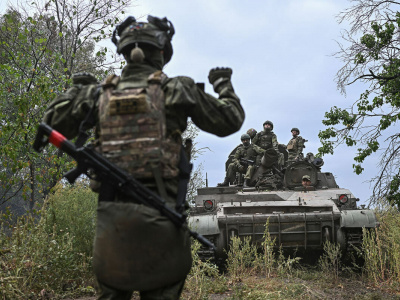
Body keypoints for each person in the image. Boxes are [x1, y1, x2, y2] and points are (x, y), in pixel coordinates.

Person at [42, 15, 245, 300]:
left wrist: (77, 90)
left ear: (125, 52)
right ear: (162, 52)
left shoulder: (97, 95)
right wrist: (223, 84)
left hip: (112, 223)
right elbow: (230, 120)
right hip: (163, 219)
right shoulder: (176, 89)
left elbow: (50, 122)